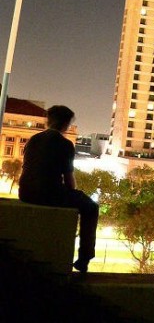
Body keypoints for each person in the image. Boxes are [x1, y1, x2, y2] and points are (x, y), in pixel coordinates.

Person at [19, 105, 99, 273]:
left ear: (48, 120)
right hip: (48, 193)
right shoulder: (65, 145)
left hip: (25, 192)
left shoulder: (33, 139)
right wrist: (74, 194)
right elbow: (69, 181)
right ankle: (84, 258)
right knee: (91, 207)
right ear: (67, 124)